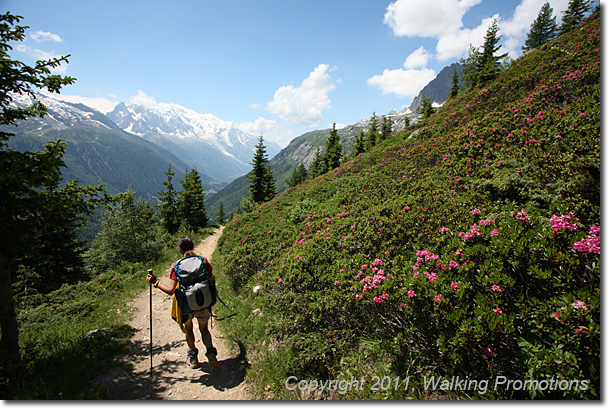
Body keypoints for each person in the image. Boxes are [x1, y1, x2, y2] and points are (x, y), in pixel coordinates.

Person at [146, 236, 221, 372]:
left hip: (186, 305)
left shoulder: (176, 266)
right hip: (203, 303)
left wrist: (156, 282)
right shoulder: (202, 260)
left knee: (189, 329)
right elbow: (210, 278)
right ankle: (211, 354)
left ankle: (193, 357)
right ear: (192, 246)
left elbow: (171, 291)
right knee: (204, 329)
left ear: (180, 249)